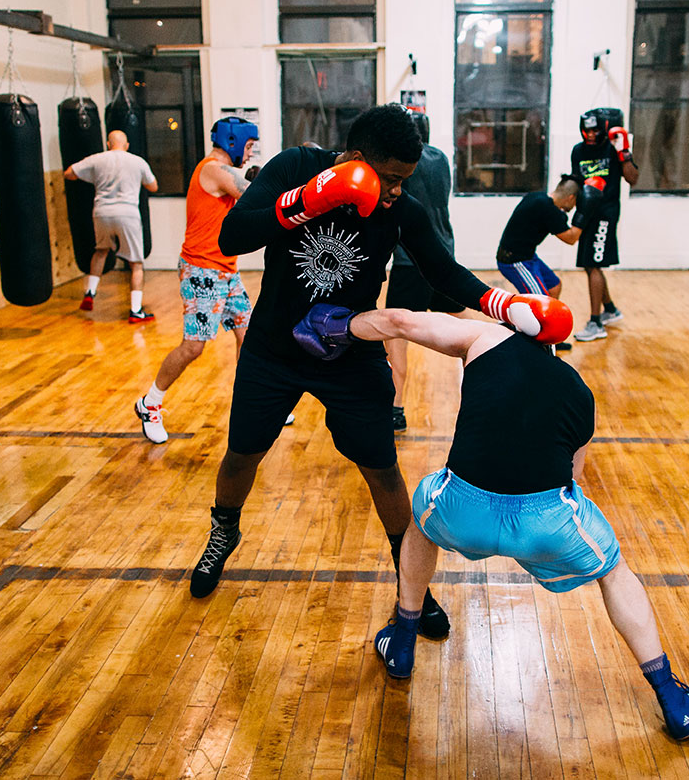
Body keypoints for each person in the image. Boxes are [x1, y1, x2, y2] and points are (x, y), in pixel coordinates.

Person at [189, 104, 555, 644]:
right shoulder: (294, 168)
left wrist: (501, 303)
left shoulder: (399, 206)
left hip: (351, 355)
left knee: (382, 468)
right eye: (390, 179)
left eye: (404, 182)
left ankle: (413, 586)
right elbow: (233, 237)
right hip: (272, 350)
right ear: (357, 159)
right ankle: (224, 531)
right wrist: (309, 200)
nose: (395, 193)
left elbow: (441, 268)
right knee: (242, 453)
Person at [294, 301, 689, 742]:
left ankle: (402, 644)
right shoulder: (579, 391)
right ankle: (673, 699)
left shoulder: (484, 338)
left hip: (460, 511)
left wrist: (336, 326)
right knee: (614, 572)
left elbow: (399, 321)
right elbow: (574, 476)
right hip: (546, 524)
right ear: (555, 344)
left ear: (513, 322)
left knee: (420, 524)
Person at [134, 117, 296, 442]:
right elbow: (255, 196)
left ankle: (251, 404)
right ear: (233, 143)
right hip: (201, 271)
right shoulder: (212, 169)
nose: (250, 154)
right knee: (194, 347)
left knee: (248, 336)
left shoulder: (225, 171)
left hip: (226, 270)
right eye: (248, 147)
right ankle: (149, 403)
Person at [384, 110, 462, 432]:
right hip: (443, 255)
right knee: (466, 331)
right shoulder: (441, 158)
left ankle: (396, 409)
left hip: (409, 261)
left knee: (394, 335)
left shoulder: (404, 162)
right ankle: (490, 390)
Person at [65, 129, 159, 321]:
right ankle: (135, 310)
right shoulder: (137, 161)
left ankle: (90, 292)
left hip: (102, 212)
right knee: (136, 264)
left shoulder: (97, 159)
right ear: (127, 145)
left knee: (100, 251)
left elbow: (69, 173)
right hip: (128, 213)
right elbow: (153, 186)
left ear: (108, 144)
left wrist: (92, 178)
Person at [571, 110, 638, 341]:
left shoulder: (612, 148)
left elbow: (633, 178)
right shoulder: (578, 151)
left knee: (593, 264)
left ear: (604, 128)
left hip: (605, 214)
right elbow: (577, 181)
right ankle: (610, 309)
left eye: (595, 130)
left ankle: (595, 322)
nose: (590, 134)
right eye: (586, 129)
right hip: (586, 212)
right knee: (590, 265)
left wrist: (624, 153)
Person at [496, 175, 582, 298]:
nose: (574, 207)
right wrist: (584, 213)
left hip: (528, 256)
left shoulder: (538, 197)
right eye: (576, 203)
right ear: (570, 198)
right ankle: (532, 316)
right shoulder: (549, 210)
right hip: (514, 262)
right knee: (540, 302)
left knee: (554, 287)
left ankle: (548, 317)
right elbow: (571, 239)